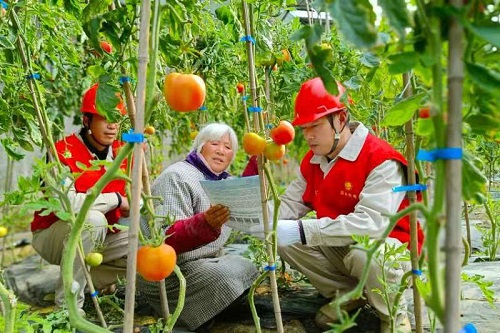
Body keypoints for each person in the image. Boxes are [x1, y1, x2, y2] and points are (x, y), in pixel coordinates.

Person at [252, 77, 424, 332]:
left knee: (367, 255)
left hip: (389, 248)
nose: (308, 136)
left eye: (316, 126)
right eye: (304, 128)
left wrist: (304, 230)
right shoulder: (314, 161)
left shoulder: (381, 159)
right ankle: (348, 295)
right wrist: (252, 217)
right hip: (342, 245)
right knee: (284, 237)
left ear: (340, 120)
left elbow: (372, 225)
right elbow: (287, 205)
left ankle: (393, 312)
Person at [137, 122, 259, 332]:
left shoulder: (223, 182)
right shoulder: (177, 176)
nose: (221, 151)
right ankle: (195, 314)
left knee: (248, 266)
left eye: (228, 147)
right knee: (225, 278)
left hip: (203, 263)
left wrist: (258, 161)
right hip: (171, 273)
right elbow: (165, 238)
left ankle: (212, 307)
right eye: (215, 144)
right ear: (200, 146)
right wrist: (204, 224)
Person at [30, 83, 130, 313]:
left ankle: (84, 281)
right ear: (86, 120)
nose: (112, 125)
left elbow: (136, 199)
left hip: (104, 235)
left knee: (147, 246)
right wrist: (115, 199)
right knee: (92, 220)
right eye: (104, 117)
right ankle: (68, 308)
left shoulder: (124, 150)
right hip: (55, 234)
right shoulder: (60, 152)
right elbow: (70, 206)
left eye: (116, 118)